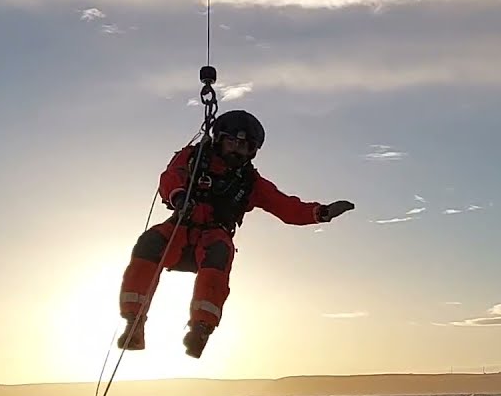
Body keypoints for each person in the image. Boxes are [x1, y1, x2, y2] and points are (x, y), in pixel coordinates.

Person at [117, 109, 354, 358]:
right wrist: (178, 195)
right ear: (219, 138)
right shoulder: (192, 158)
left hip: (213, 237)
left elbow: (286, 207)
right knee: (149, 243)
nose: (236, 149)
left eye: (244, 146)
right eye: (232, 141)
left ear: (252, 151)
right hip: (180, 227)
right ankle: (134, 323)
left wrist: (321, 212)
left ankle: (200, 329)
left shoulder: (251, 183)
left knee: (220, 252)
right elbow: (171, 176)